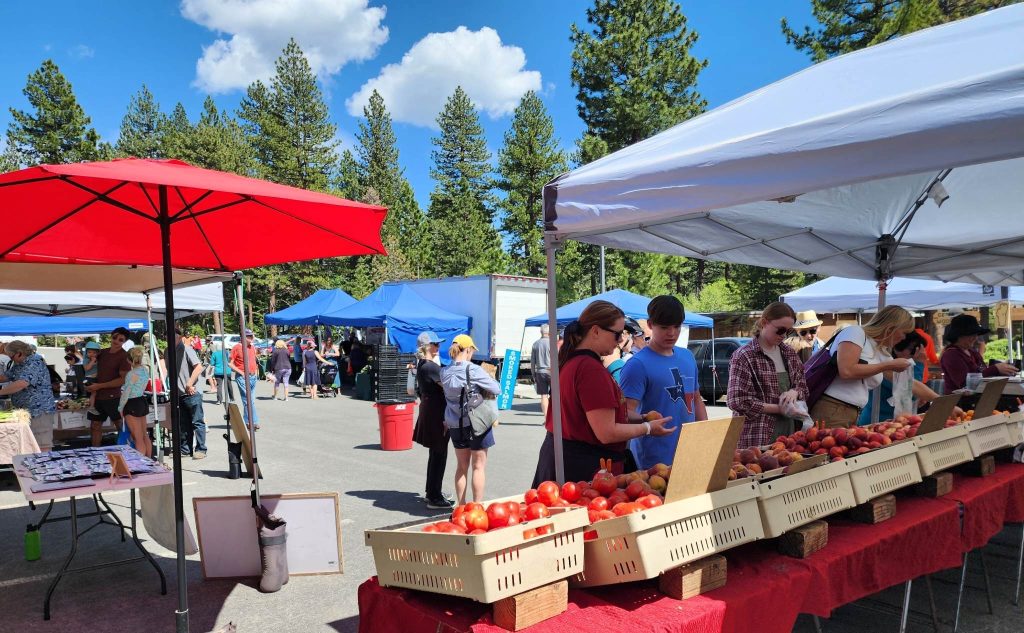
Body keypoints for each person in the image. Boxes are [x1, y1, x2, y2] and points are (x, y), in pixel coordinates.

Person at [532, 301, 676, 485]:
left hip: (567, 460)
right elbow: (606, 432)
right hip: (582, 469)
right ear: (596, 331)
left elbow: (601, 416)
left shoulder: (575, 362)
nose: (620, 340)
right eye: (617, 334)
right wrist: (648, 428)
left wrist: (642, 418)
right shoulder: (589, 369)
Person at [620, 296, 706, 470]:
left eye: (677, 326)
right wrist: (646, 424)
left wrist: (705, 434)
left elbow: (696, 399)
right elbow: (624, 413)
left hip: (689, 454)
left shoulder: (687, 356)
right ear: (650, 325)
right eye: (664, 327)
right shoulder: (637, 365)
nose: (672, 333)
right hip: (653, 460)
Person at [809, 305, 917, 427]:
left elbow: (910, 382)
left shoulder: (879, 350)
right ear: (891, 328)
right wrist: (886, 365)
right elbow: (847, 370)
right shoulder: (855, 333)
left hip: (849, 412)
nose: (904, 337)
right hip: (833, 408)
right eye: (904, 332)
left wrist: (933, 398)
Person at [728, 302, 810, 448]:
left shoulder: (789, 353)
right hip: (756, 437)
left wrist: (795, 392)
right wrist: (780, 409)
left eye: (789, 331)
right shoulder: (744, 356)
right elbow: (738, 401)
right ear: (764, 322)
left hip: (789, 434)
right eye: (780, 330)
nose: (784, 336)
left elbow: (803, 387)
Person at [442, 334, 501, 505]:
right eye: (472, 351)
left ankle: (461, 506)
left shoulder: (444, 371)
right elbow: (496, 389)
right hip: (477, 423)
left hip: (455, 424)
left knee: (461, 467)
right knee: (478, 467)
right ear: (467, 350)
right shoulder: (473, 369)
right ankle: (476, 507)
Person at [857, 331, 953, 425]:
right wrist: (919, 364)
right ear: (897, 349)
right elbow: (911, 390)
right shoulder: (888, 367)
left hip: (892, 422)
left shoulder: (892, 366)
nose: (916, 354)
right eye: (913, 349)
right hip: (876, 422)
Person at [412, 331, 453, 509]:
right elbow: (449, 386)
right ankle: (434, 496)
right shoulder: (430, 367)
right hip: (437, 413)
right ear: (427, 347)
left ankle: (433, 491)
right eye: (435, 344)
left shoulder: (423, 364)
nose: (438, 346)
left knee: (436, 453)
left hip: (431, 410)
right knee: (439, 453)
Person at [940, 314, 1016, 393]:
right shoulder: (951, 355)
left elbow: (982, 372)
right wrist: (995, 369)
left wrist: (1002, 371)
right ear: (959, 335)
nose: (975, 338)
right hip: (958, 399)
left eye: (976, 334)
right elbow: (964, 383)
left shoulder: (972, 352)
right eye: (972, 334)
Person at [85, 327, 132, 447]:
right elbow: (88, 367)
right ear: (111, 336)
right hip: (97, 396)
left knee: (120, 425)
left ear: (125, 342)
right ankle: (95, 452)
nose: (116, 341)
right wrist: (88, 384)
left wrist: (99, 386)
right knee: (95, 426)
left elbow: (123, 380)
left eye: (120, 339)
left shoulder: (124, 356)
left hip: (114, 397)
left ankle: (127, 452)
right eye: (115, 337)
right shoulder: (102, 353)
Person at [0, 340, 57, 420]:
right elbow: (5, 377)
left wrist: (1, 392)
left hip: (38, 412)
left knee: (39, 429)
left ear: (19, 353)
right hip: (25, 411)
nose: (11, 360)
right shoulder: (20, 364)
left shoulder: (34, 363)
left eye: (12, 357)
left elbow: (21, 383)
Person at [176, 329, 207, 459]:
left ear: (180, 337)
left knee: (197, 422)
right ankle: (185, 450)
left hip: (192, 392)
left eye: (174, 336)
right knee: (184, 424)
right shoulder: (167, 351)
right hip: (179, 393)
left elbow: (199, 367)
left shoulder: (187, 349)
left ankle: (201, 449)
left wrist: (189, 383)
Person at [119, 346, 152, 458]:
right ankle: (149, 460)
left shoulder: (132, 374)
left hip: (132, 402)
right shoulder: (145, 370)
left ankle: (142, 463)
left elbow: (126, 392)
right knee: (144, 435)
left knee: (138, 437)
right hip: (142, 400)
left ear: (129, 360)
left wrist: (120, 407)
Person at [230, 329, 260, 430]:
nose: (252, 338)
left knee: (250, 401)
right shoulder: (237, 347)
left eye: (252, 336)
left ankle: (246, 421)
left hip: (253, 377)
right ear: (243, 337)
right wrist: (241, 372)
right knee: (248, 401)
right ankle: (253, 422)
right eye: (249, 336)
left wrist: (255, 372)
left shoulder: (252, 347)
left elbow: (254, 360)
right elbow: (230, 363)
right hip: (243, 377)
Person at [530, 324, 553, 417]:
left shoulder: (535, 344)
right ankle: (554, 417)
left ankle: (546, 417)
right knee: (555, 395)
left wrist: (533, 374)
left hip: (540, 372)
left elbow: (532, 361)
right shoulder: (552, 343)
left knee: (543, 396)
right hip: (552, 372)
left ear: (541, 332)